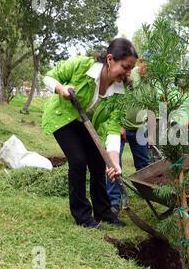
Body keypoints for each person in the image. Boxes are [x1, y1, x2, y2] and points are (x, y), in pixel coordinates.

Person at [42, 38, 138, 229]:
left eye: (130, 69)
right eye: (125, 67)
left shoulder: (121, 92)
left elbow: (112, 128)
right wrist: (61, 89)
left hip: (89, 124)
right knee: (78, 161)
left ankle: (104, 213)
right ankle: (82, 216)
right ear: (110, 59)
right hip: (65, 118)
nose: (128, 73)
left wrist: (115, 163)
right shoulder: (82, 65)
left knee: (98, 162)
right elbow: (49, 77)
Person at [106, 59, 151, 213]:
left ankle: (145, 194)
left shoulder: (155, 82)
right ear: (142, 63)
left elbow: (153, 107)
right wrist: (118, 124)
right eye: (148, 64)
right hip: (121, 127)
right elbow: (116, 99)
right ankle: (113, 201)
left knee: (144, 164)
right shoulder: (129, 75)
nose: (149, 69)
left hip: (140, 128)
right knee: (114, 164)